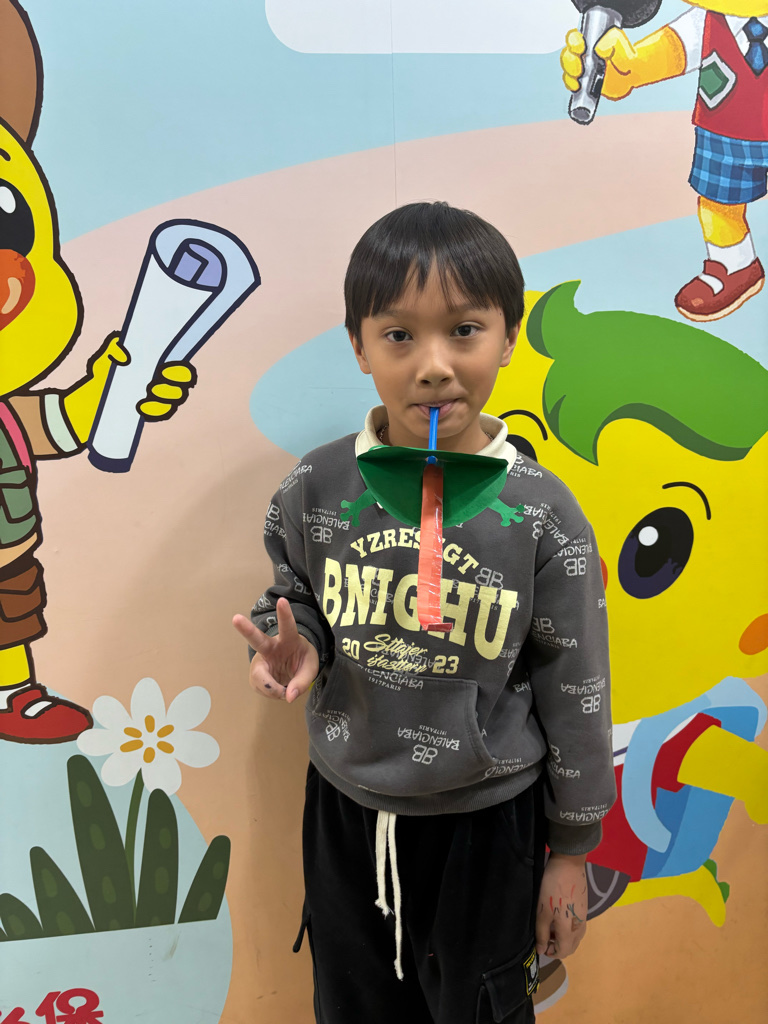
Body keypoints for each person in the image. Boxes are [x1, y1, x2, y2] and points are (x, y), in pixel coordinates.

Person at [233, 201, 615, 1023]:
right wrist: (291, 643)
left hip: (490, 824)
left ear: (508, 337)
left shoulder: (545, 514)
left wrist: (572, 849)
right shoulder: (317, 486)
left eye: (464, 330)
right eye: (399, 335)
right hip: (346, 811)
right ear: (359, 345)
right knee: (352, 1004)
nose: (434, 366)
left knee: (482, 1009)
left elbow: (577, 686)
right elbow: (293, 593)